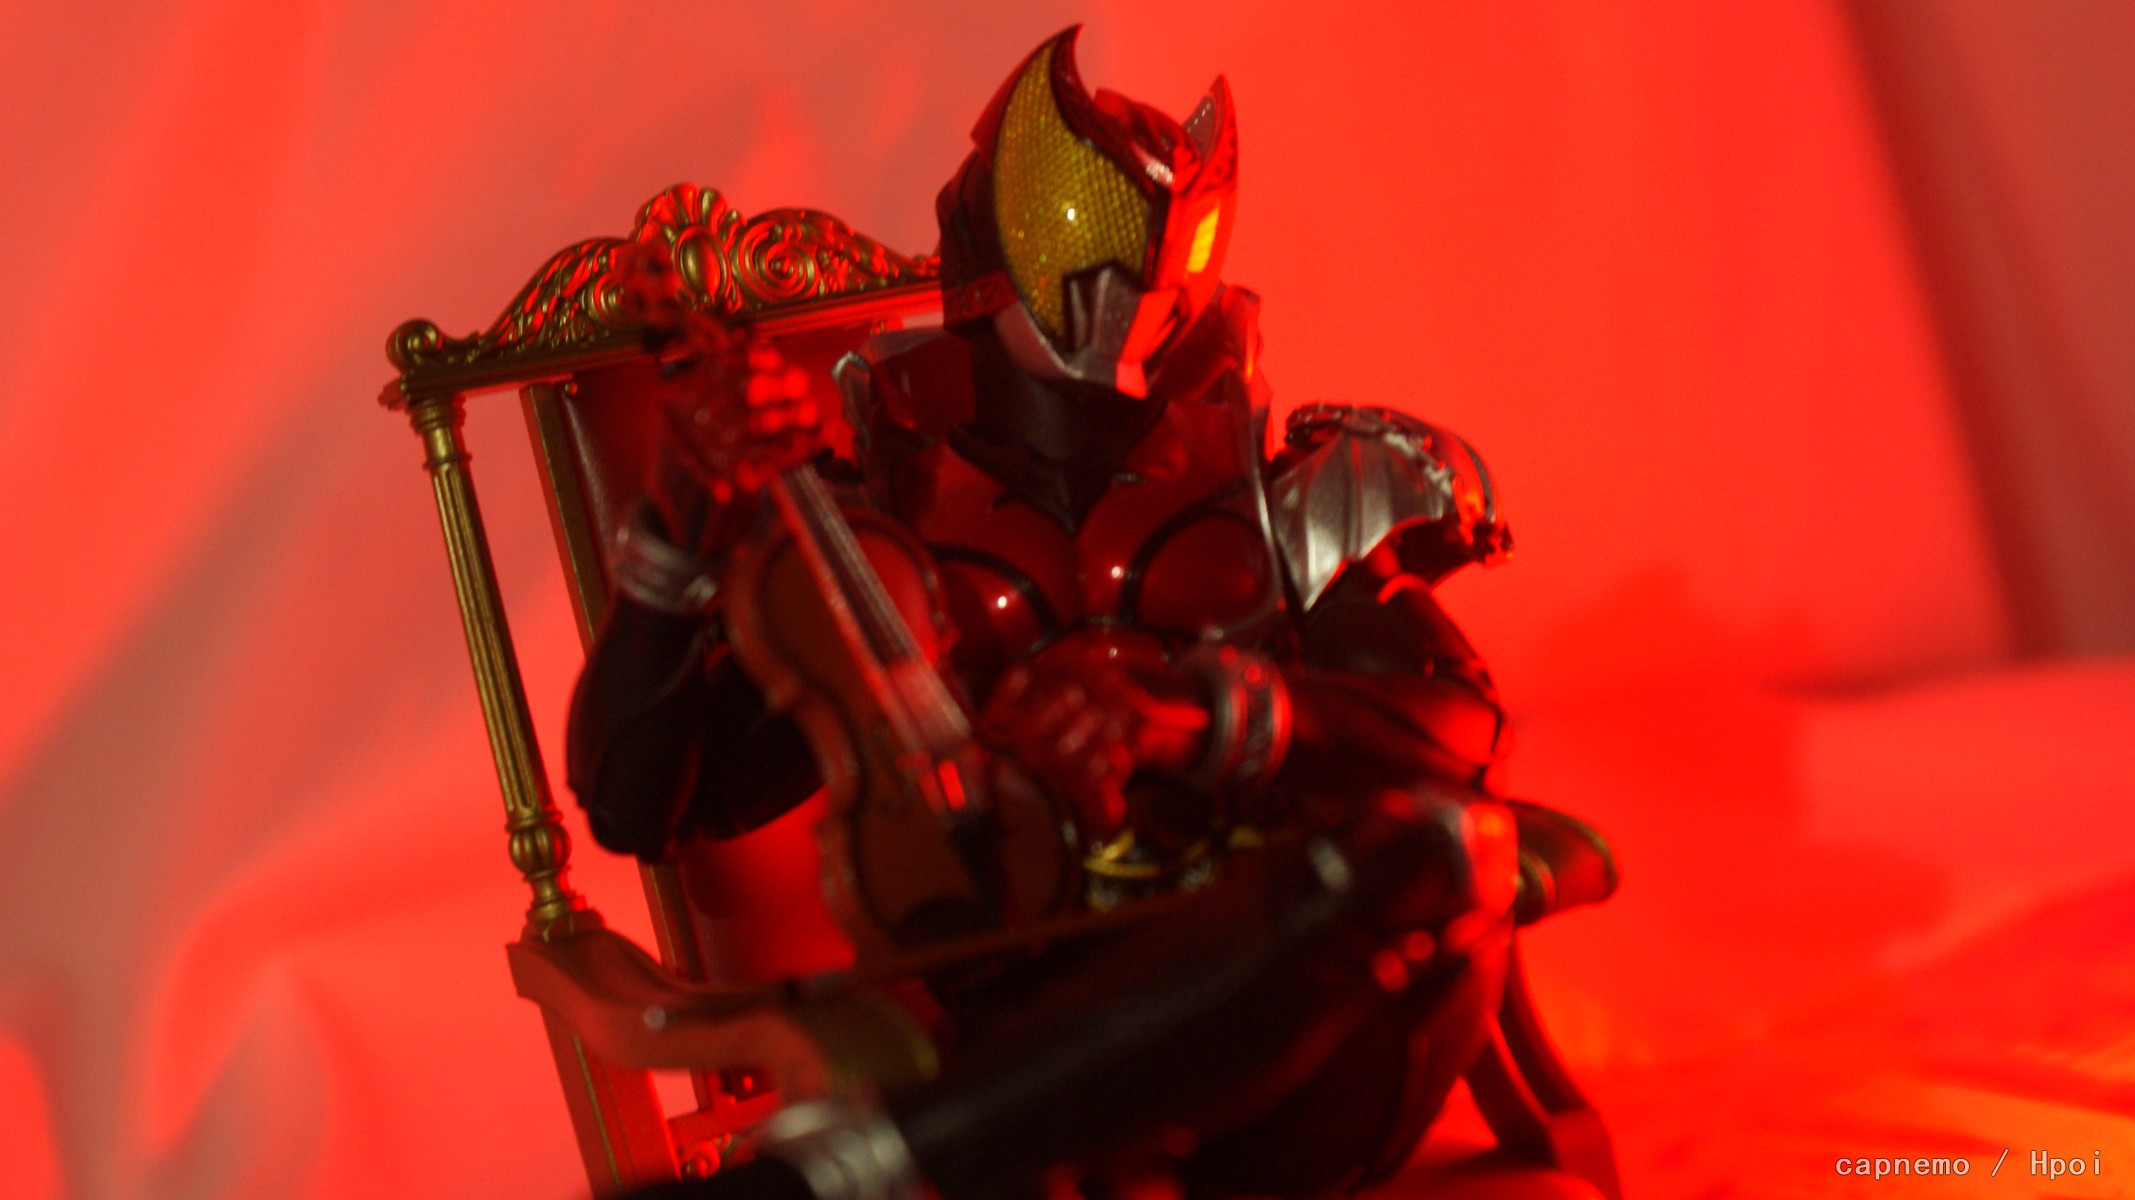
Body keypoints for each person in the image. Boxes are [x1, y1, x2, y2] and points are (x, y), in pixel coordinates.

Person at [569, 27, 1614, 1200]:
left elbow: (1459, 735)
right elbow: (640, 803)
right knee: (1437, 857)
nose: (1131, 294)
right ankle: (923, 1148)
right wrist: (675, 533)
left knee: (1441, 849)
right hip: (1039, 1050)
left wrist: (1202, 716)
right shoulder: (882, 545)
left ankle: (854, 1169)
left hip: (1301, 1048)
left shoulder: (1282, 487)